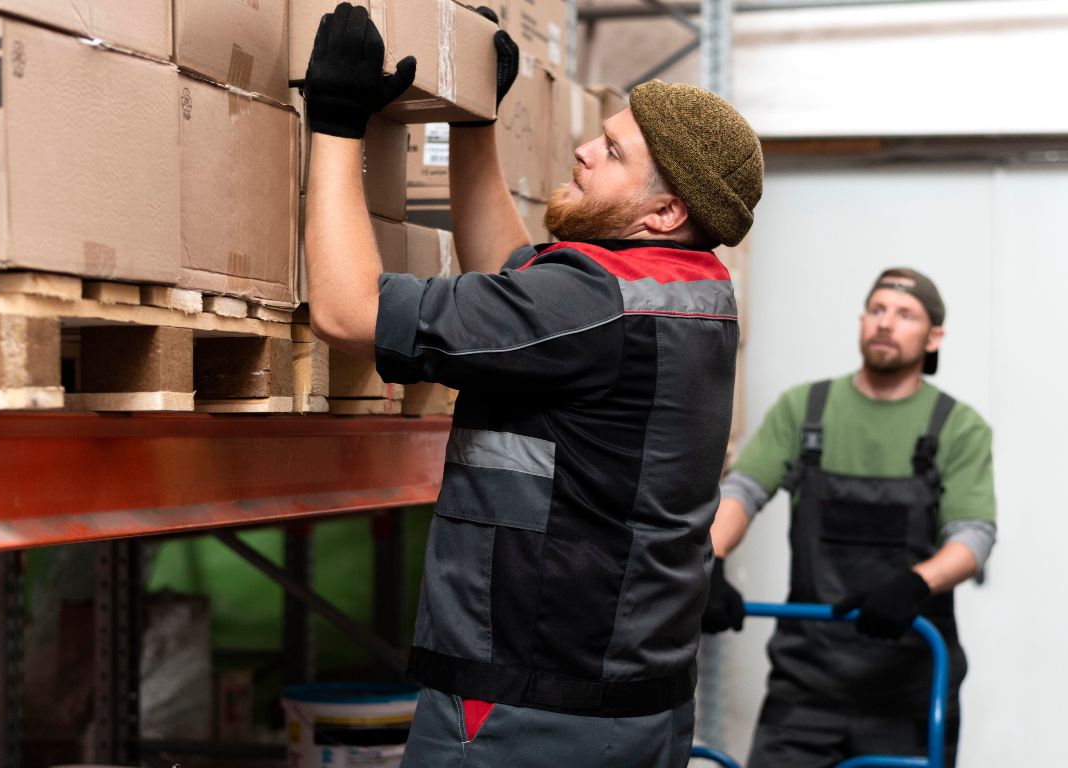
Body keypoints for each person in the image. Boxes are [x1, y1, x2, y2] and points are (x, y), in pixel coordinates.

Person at [300, 4, 764, 766]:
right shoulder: (690, 291)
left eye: (612, 152)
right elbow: (517, 281)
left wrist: (337, 121)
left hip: (528, 715)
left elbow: (347, 310)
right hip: (632, 711)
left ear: (665, 211)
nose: (583, 150)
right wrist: (476, 126)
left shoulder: (594, 307)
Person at [703, 268, 997, 767]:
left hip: (908, 687)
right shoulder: (806, 409)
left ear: (934, 336)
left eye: (905, 315)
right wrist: (709, 561)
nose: (886, 323)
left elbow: (974, 534)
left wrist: (915, 584)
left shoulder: (957, 426)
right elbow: (744, 489)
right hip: (805, 685)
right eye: (877, 310)